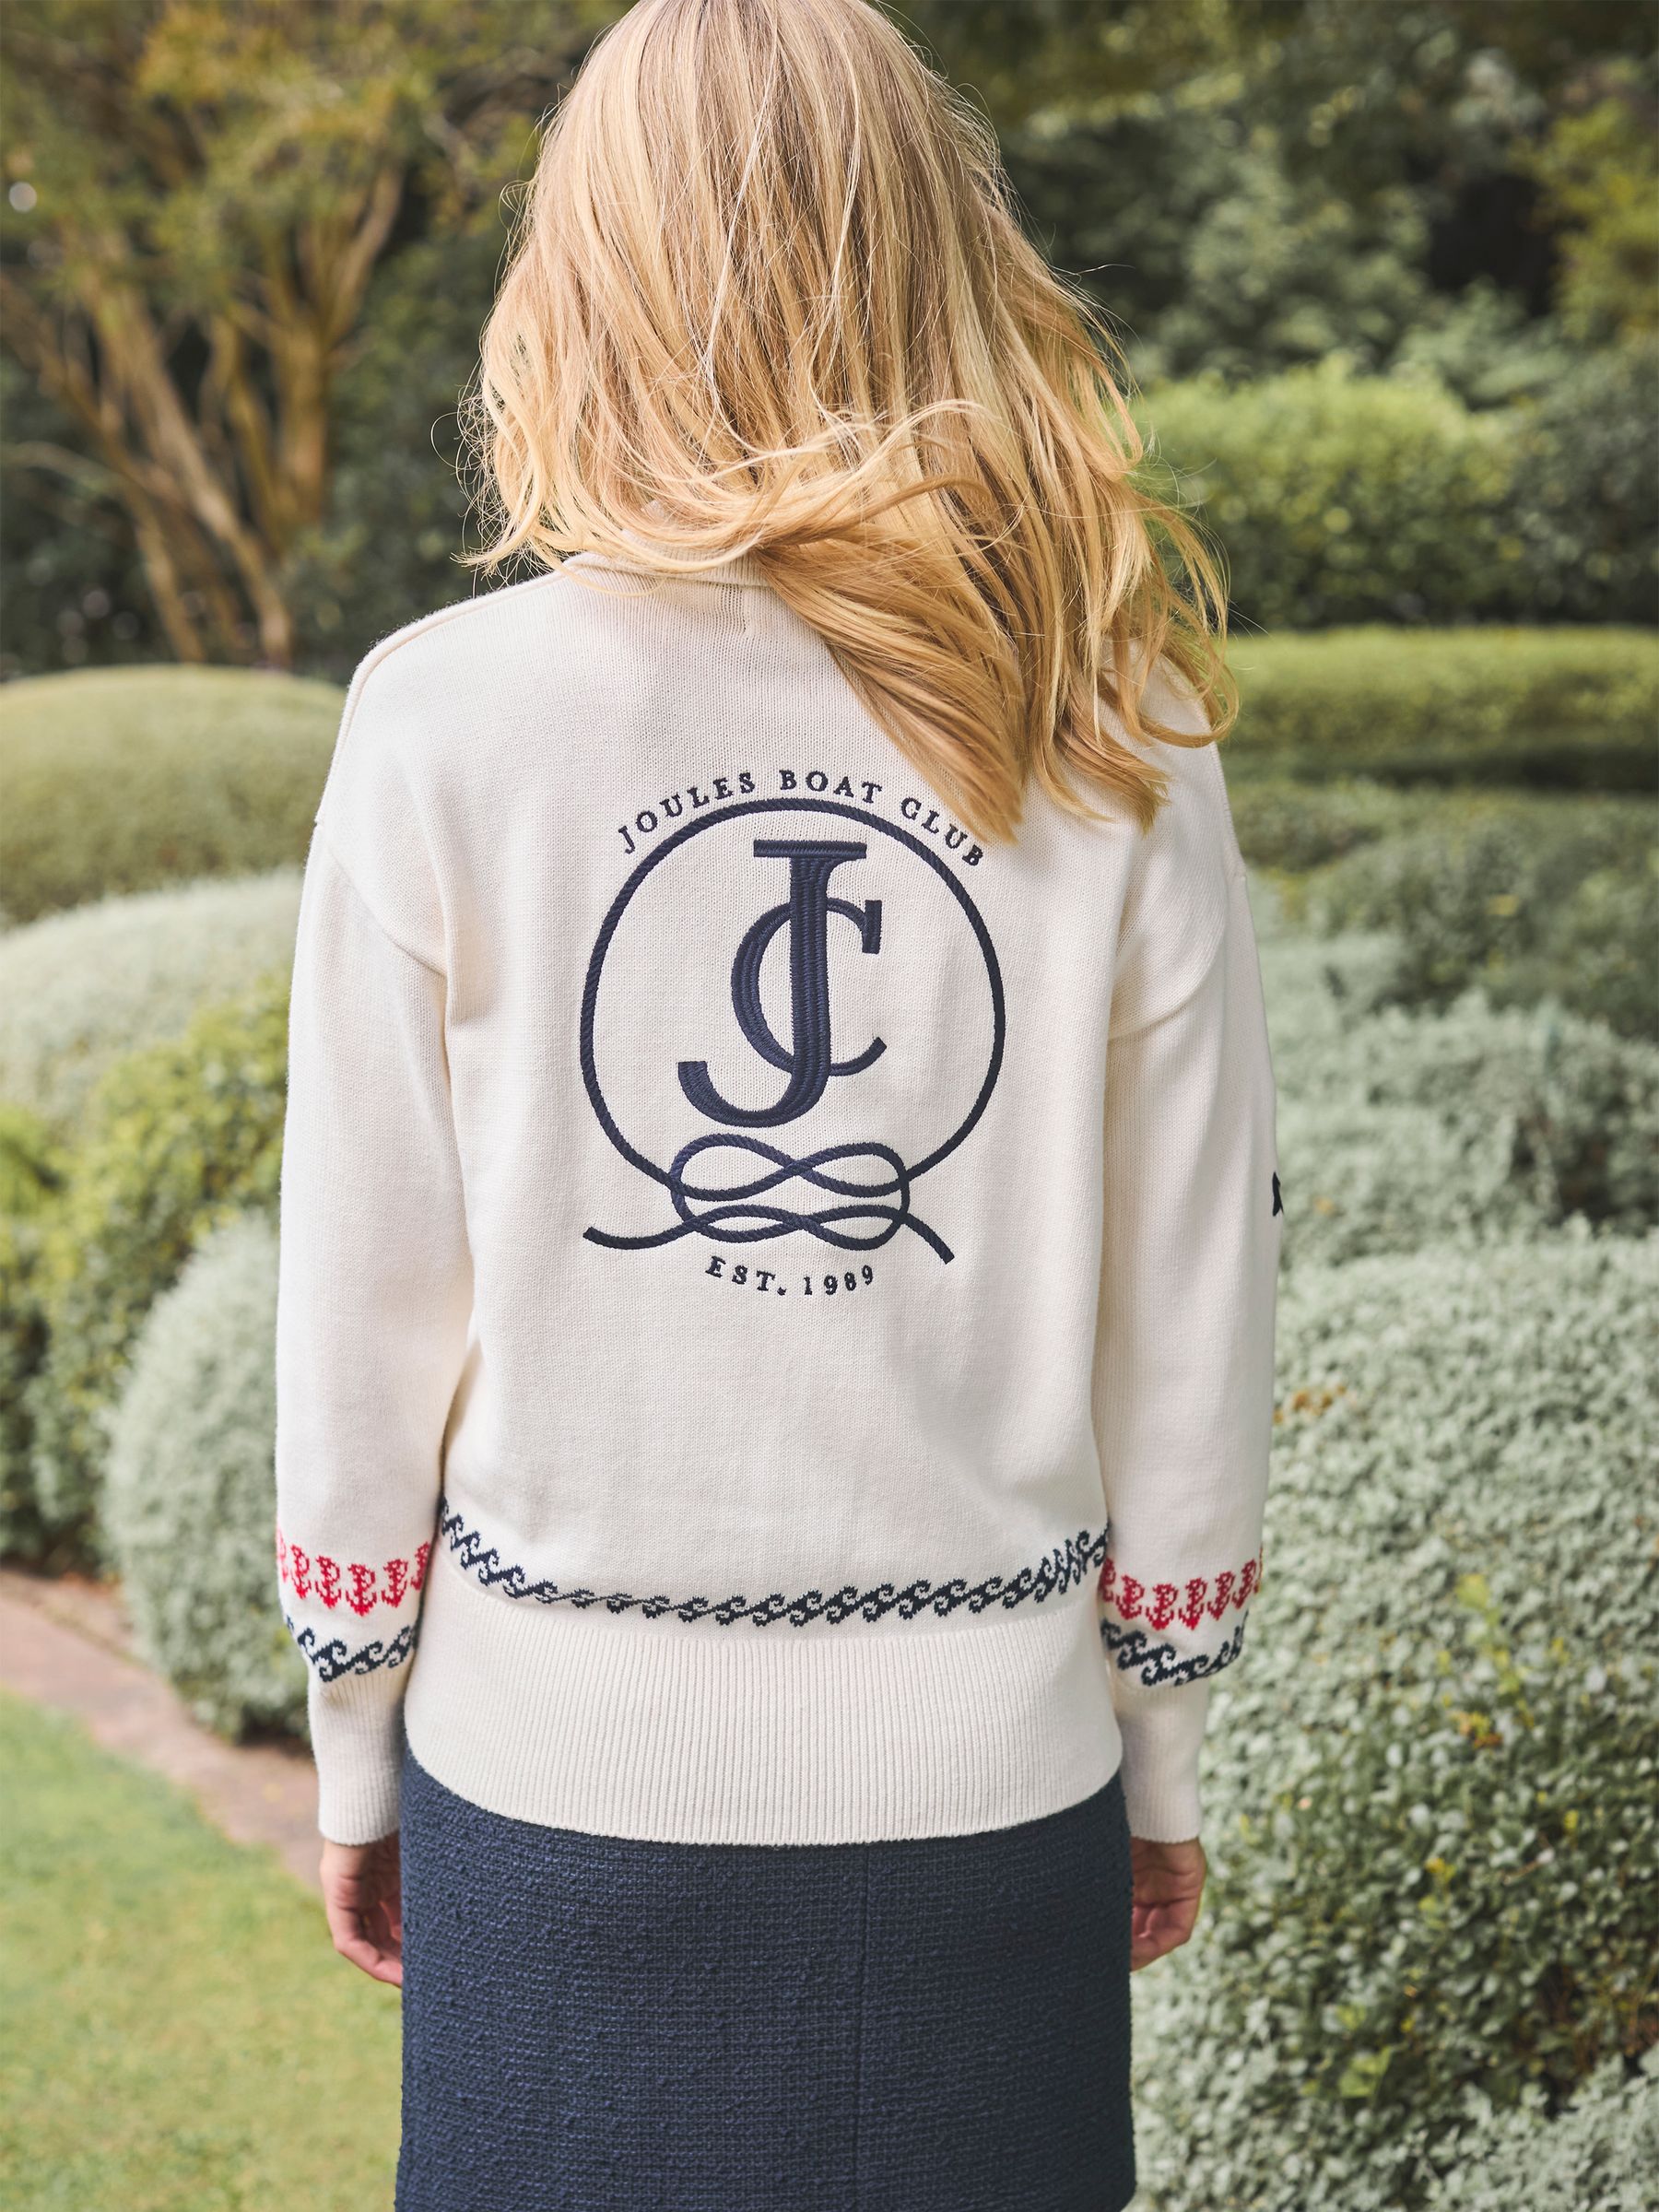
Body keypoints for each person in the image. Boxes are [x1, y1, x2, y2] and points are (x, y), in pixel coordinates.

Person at [272, 2, 1282, 2205]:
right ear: (942, 256)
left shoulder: (443, 720)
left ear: (584, 269)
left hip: (548, 1804)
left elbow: (363, 1294)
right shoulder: (1115, 728)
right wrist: (1163, 1748)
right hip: (991, 1801)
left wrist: (357, 1737)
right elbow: (1194, 1304)